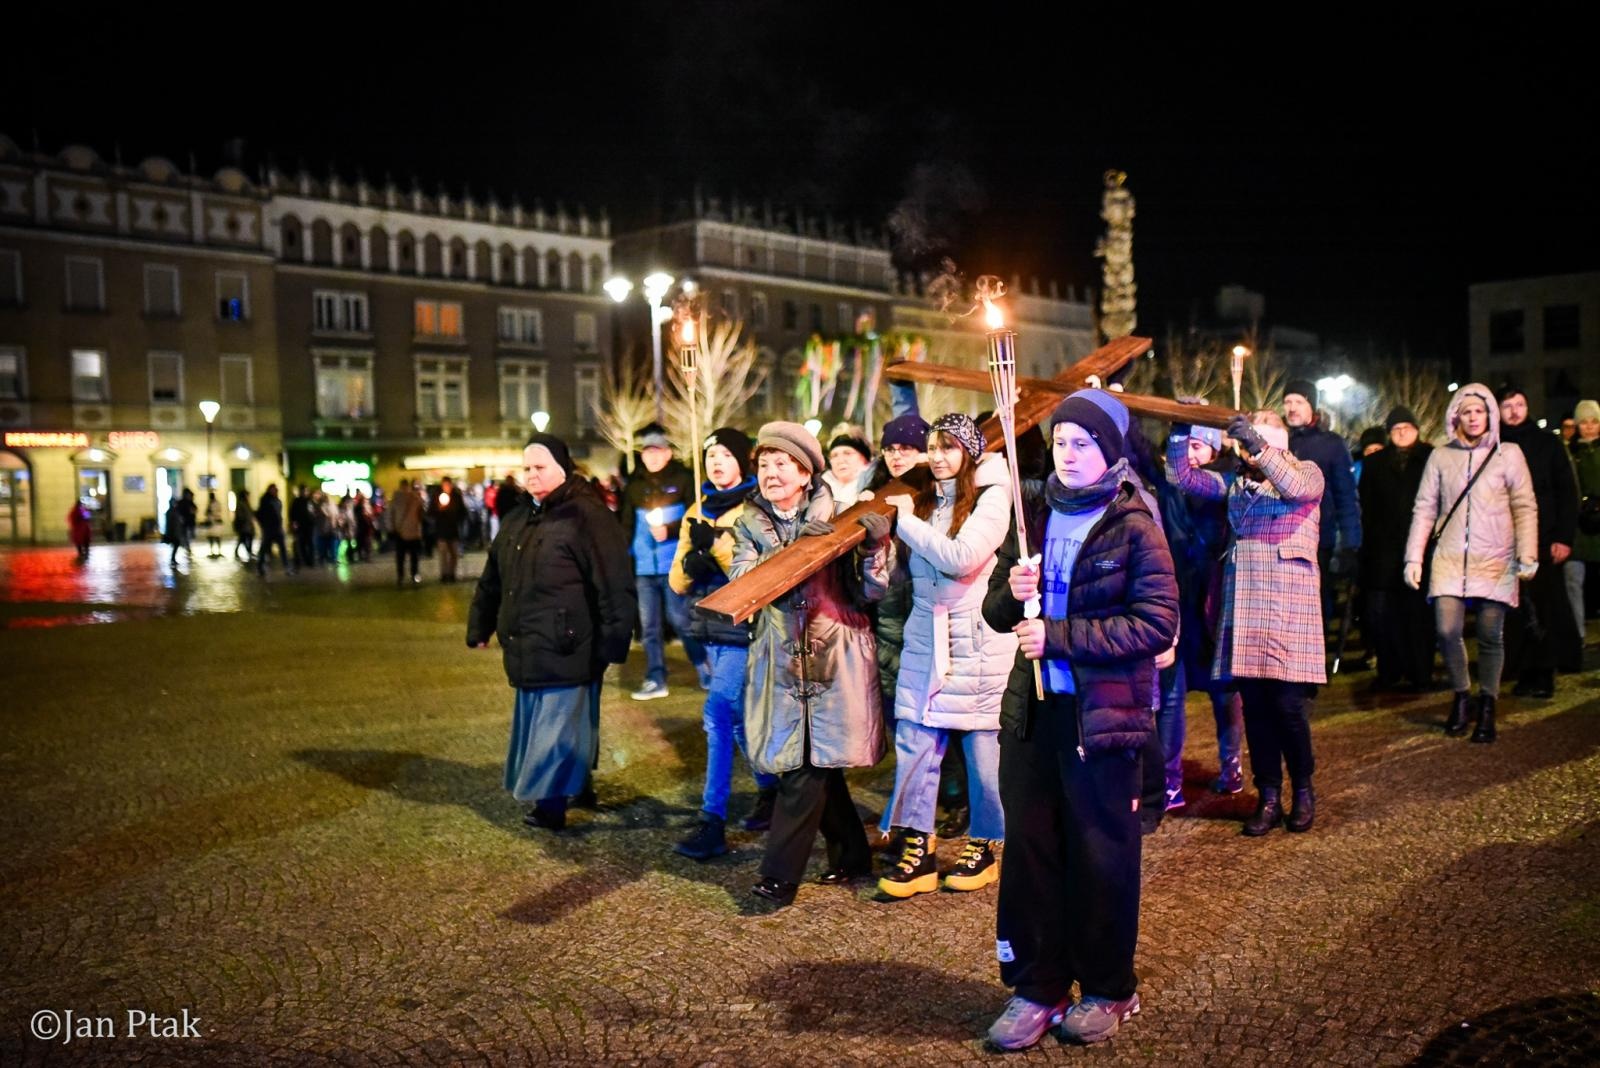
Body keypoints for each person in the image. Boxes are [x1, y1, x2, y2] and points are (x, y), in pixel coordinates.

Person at [981, 389, 1177, 1050]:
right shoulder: (1032, 512)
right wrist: (1011, 596)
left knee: (1101, 855)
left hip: (1102, 717)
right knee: (1033, 852)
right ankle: (1038, 987)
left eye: (1083, 443)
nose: (1068, 454)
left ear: (1110, 450)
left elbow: (1156, 623)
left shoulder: (1134, 523)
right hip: (1034, 714)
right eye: (1061, 441)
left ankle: (1109, 987)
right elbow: (995, 614)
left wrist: (1060, 636)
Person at [732, 421, 893, 907]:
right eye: (764, 464)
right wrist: (795, 546)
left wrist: (872, 548)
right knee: (811, 762)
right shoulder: (748, 522)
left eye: (783, 464)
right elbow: (743, 580)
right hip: (780, 659)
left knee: (805, 770)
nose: (771, 473)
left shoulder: (842, 517)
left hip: (834, 657)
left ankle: (779, 876)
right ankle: (851, 855)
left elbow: (872, 591)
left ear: (806, 474)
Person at [877, 413, 1016, 898]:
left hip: (977, 638)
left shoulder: (995, 497)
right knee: (914, 739)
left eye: (949, 447)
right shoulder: (928, 498)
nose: (937, 457)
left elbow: (961, 558)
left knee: (983, 752)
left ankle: (985, 844)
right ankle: (920, 848)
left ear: (970, 453)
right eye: (932, 447)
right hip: (925, 633)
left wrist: (905, 524)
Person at [468, 434, 636, 831]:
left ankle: (551, 805)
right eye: (527, 468)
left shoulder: (587, 516)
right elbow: (493, 579)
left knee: (556, 726)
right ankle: (577, 786)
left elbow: (613, 582)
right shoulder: (518, 520)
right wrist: (481, 624)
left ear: (563, 469)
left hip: (570, 641)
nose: (531, 476)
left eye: (540, 467)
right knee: (557, 722)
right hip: (530, 643)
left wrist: (614, 641)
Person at [1170, 409, 1325, 837]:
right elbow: (1183, 478)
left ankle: (1304, 790)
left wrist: (1259, 445)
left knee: (1288, 707)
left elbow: (1293, 487)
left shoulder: (1307, 473)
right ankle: (1269, 796)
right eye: (1250, 443)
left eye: (1262, 442)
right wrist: (1181, 428)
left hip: (1289, 607)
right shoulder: (1235, 484)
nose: (1253, 451)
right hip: (1248, 606)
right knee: (1255, 708)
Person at [667, 427, 778, 860]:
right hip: (709, 628)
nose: (716, 462)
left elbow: (752, 575)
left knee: (716, 714)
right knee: (733, 721)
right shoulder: (698, 508)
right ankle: (771, 790)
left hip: (743, 629)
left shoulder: (755, 508)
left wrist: (713, 547)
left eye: (725, 455)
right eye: (710, 455)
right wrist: (692, 563)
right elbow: (677, 581)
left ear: (741, 461)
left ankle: (711, 819)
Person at [1404, 385, 1537, 744]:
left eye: (1480, 411)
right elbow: (1425, 508)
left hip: (1496, 557)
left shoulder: (1508, 454)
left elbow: (1524, 506)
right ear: (1456, 417)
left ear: (1490, 415)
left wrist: (1527, 553)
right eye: (1467, 412)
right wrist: (1414, 557)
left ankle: (1488, 702)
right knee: (1447, 630)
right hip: (1449, 557)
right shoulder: (1440, 457)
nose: (1474, 417)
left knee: (1490, 634)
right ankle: (1462, 695)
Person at [1159, 421, 1248, 795]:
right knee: (1171, 693)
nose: (1192, 455)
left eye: (1200, 446)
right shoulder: (1170, 485)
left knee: (1225, 692)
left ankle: (1232, 768)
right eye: (1186, 446)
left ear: (1215, 450)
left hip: (1214, 601)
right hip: (1178, 600)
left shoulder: (1224, 483)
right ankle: (1169, 780)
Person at [1499, 386, 1581, 691]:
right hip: (1505, 539)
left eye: (1519, 404)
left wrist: (1563, 536)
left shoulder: (1548, 443)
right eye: (1507, 406)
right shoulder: (1494, 444)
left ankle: (1545, 670)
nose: (1514, 411)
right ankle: (1522, 669)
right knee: (1515, 608)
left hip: (1545, 538)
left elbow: (1566, 492)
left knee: (1546, 605)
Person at [1359, 407, 1437, 692]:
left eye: (1407, 426)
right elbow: (1365, 506)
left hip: (1422, 547)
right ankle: (1389, 669)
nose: (1402, 432)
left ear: (1417, 429)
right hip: (1383, 550)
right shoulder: (1376, 463)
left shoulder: (1430, 457)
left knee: (1419, 615)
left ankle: (1421, 672)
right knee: (1383, 615)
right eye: (1396, 428)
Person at [620, 425, 700, 700]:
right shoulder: (634, 484)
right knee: (649, 626)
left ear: (667, 453)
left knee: (679, 619)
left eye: (657, 451)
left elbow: (695, 518)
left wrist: (672, 528)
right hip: (643, 566)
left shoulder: (683, 479)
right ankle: (655, 677)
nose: (652, 457)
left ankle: (703, 666)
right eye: (647, 452)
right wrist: (625, 557)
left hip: (672, 564)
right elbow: (626, 523)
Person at [1282, 379, 1361, 621]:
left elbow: (1346, 496)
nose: (1292, 408)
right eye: (1287, 402)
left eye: (1299, 401)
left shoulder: (1332, 445)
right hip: (1282, 538)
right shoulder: (1279, 440)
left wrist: (1351, 542)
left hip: (1319, 540)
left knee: (1316, 607)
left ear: (1312, 407)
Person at [1567, 399, 1600, 641]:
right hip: (1578, 528)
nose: (1589, 427)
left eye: (1594, 421)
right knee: (1573, 581)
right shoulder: (1569, 454)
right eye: (1584, 422)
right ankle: (1577, 636)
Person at [389, 478, 424, 586]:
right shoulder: (415, 497)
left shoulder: (395, 498)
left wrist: (393, 527)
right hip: (413, 532)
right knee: (414, 556)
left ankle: (401, 576)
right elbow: (421, 513)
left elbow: (391, 515)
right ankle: (414, 575)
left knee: (401, 557)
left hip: (400, 532)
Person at [822, 433, 872, 508]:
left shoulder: (877, 486)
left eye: (847, 453)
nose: (840, 460)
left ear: (864, 459)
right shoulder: (818, 489)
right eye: (834, 455)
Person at [432, 476, 467, 582]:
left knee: (453, 554)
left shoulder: (456, 496)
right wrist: (439, 509)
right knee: (443, 554)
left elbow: (463, 512)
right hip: (441, 530)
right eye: (444, 485)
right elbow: (431, 512)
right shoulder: (437, 496)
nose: (446, 487)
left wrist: (456, 517)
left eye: (448, 485)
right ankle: (444, 574)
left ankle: (451, 574)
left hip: (453, 529)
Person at [255, 484, 291, 576]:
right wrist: (264, 524)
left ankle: (287, 567)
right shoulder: (265, 500)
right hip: (269, 528)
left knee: (282, 548)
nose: (276, 491)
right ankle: (260, 567)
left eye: (276, 490)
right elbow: (260, 514)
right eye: (274, 490)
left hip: (277, 528)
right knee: (264, 548)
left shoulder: (277, 501)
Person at [289, 485, 316, 569]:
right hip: (300, 526)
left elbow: (313, 512)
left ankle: (310, 561)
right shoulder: (296, 501)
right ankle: (302, 560)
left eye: (306, 491)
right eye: (304, 491)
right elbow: (292, 513)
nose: (305, 492)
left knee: (310, 543)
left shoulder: (310, 501)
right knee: (301, 544)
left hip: (309, 526)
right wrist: (293, 523)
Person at [233, 488, 255, 562]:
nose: (248, 496)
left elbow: (250, 512)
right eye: (247, 495)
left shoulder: (246, 503)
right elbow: (240, 515)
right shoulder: (241, 503)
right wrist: (244, 520)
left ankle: (247, 551)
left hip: (248, 524)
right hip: (244, 525)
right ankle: (248, 551)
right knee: (244, 538)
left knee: (244, 538)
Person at [203, 491, 224, 557]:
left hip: (215, 522)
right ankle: (214, 551)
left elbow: (208, 512)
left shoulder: (213, 503)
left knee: (215, 537)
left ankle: (216, 551)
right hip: (213, 522)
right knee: (214, 537)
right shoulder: (213, 503)